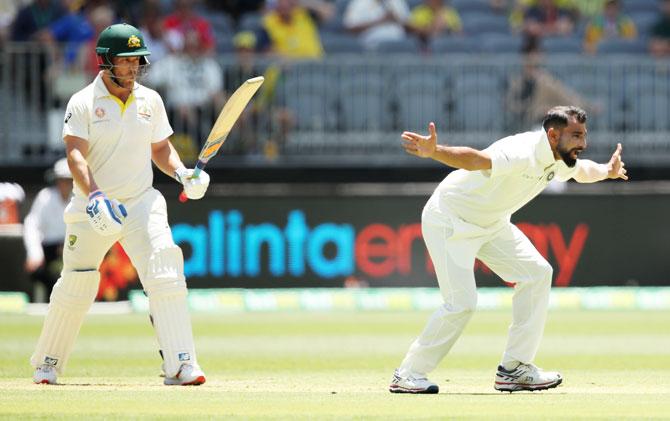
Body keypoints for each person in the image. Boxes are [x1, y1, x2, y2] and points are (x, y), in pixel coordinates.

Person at [390, 106, 627, 394]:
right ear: (553, 135)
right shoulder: (521, 150)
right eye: (576, 136)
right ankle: (408, 374)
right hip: (450, 220)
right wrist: (435, 151)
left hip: (492, 224)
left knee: (537, 274)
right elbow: (476, 160)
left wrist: (607, 171)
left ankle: (514, 369)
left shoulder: (559, 157)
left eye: (584, 136)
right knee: (461, 303)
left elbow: (580, 171)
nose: (583, 143)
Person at [31, 23, 210, 386]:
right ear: (106, 62)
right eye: (125, 62)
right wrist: (95, 197)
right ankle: (47, 363)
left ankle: (181, 363)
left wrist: (182, 174)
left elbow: (160, 148)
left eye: (136, 61)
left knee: (166, 269)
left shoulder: (151, 100)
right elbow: (76, 158)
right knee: (76, 285)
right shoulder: (83, 102)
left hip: (141, 201)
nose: (133, 69)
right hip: (92, 207)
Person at [23, 158, 73, 302]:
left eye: (68, 180)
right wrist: (35, 254)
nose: (64, 184)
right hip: (48, 251)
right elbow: (32, 225)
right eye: (61, 179)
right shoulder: (45, 197)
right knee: (38, 272)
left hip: (72, 249)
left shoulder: (80, 198)